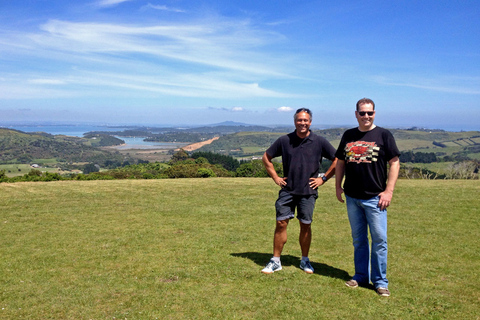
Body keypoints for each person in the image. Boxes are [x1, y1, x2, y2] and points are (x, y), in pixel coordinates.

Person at [335, 98, 400, 297]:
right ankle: (361, 276)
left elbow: (395, 162)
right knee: (359, 240)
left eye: (369, 113)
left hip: (375, 198)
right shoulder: (349, 135)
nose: (366, 116)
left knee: (379, 240)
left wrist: (389, 191)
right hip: (353, 197)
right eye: (362, 113)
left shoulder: (384, 135)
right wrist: (337, 186)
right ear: (356, 114)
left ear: (374, 113)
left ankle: (380, 282)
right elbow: (340, 162)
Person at [261, 108, 337, 274]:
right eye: (299, 120)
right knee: (281, 223)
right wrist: (275, 177)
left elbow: (337, 160)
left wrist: (323, 179)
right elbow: (266, 157)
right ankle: (275, 261)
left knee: (305, 225)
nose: (302, 123)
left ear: (310, 122)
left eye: (306, 120)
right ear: (294, 121)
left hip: (308, 192)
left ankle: (304, 260)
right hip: (287, 190)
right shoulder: (284, 140)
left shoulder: (319, 141)